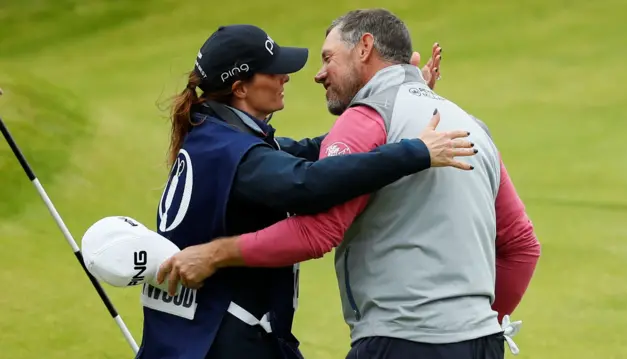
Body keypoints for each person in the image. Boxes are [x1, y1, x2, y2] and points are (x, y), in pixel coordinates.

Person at [157, 9, 541, 359]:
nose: (298, 75)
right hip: (220, 338)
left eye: (327, 58)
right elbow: (307, 182)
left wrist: (401, 102)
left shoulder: (223, 139)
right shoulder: (468, 126)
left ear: (365, 49)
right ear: (240, 88)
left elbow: (314, 174)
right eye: (274, 70)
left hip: (391, 342)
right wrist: (413, 145)